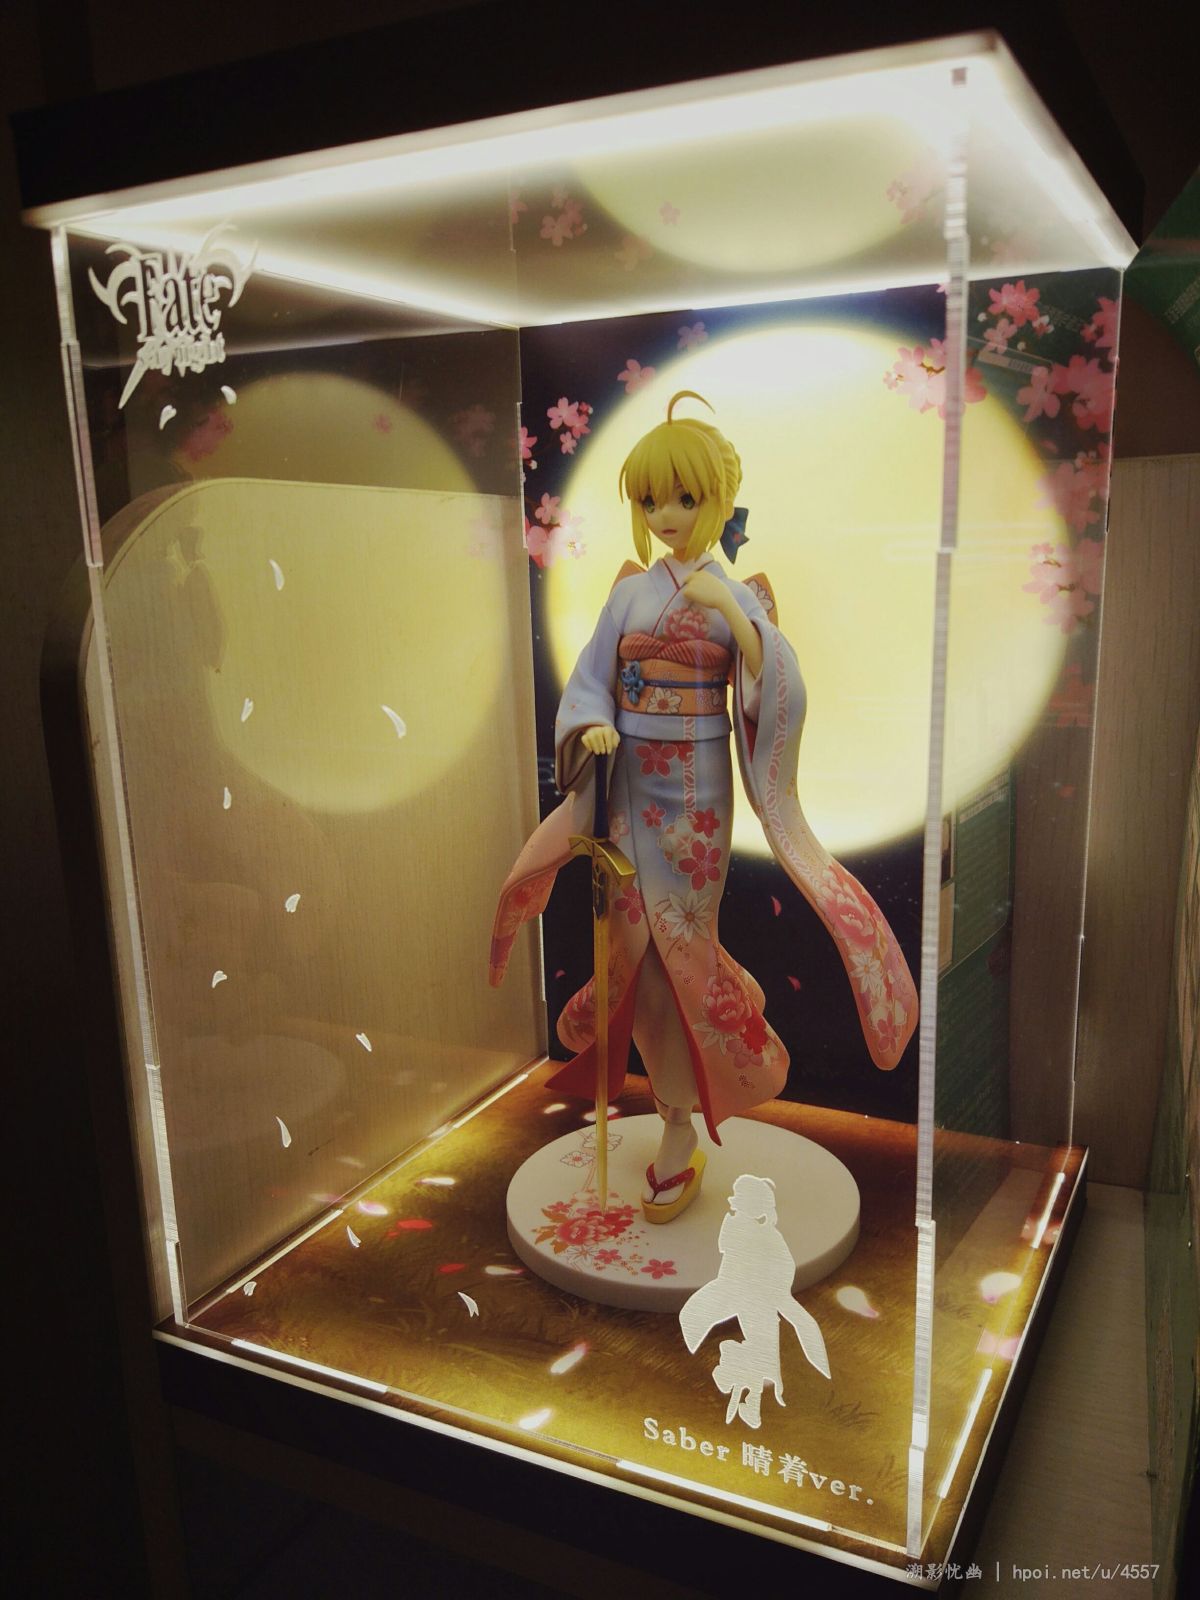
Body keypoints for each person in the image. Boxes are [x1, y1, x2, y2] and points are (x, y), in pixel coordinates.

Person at [490, 391, 916, 1223]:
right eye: (651, 501)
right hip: (627, 792)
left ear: (718, 499)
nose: (666, 517)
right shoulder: (628, 595)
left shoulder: (733, 592)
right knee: (634, 948)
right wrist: (593, 727)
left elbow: (774, 691)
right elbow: (589, 681)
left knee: (676, 948)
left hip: (697, 802)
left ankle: (679, 1120)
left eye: (683, 498)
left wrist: (739, 624)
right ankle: (695, 1058)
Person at [679, 1174, 830, 1428]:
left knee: (764, 1341)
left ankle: (753, 1398)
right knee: (692, 1316)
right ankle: (730, 1378)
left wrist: (774, 1292)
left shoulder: (769, 1236)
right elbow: (731, 1268)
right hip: (734, 1290)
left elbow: (784, 1268)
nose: (738, 1208)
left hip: (760, 1295)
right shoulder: (737, 1227)